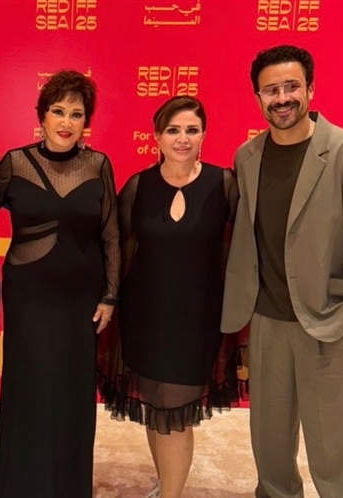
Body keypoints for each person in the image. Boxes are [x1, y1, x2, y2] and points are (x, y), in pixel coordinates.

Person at [222, 45, 343, 498]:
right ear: (257, 97)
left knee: (338, 450)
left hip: (331, 321)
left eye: (291, 86)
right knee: (269, 448)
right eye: (271, 90)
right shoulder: (247, 156)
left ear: (310, 89)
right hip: (267, 322)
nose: (282, 98)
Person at [97, 96, 241, 498]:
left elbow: (242, 251)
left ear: (204, 135)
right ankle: (166, 486)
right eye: (173, 130)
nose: (182, 138)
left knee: (175, 415)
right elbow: (114, 249)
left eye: (192, 130)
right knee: (155, 407)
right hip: (145, 319)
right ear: (157, 136)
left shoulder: (224, 184)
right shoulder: (138, 187)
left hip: (197, 323)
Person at [0, 70, 119, 498]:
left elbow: (111, 234)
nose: (66, 122)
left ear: (86, 122)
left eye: (76, 114)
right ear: (42, 116)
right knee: (30, 387)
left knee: (71, 391)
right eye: (58, 111)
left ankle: (68, 486)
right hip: (28, 298)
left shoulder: (98, 165)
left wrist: (110, 294)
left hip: (81, 300)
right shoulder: (14, 163)